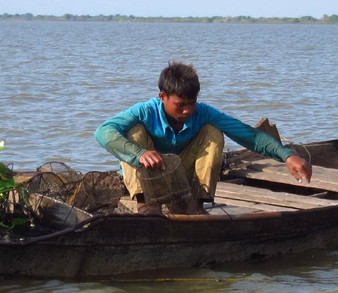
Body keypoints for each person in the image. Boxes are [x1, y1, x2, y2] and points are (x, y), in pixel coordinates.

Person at [94, 61, 312, 214]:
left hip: (182, 175)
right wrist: (139, 154)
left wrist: (287, 155)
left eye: (192, 103)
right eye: (181, 105)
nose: (188, 110)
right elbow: (103, 132)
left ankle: (198, 203)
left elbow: (248, 135)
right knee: (134, 132)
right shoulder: (144, 111)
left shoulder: (204, 113)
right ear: (162, 96)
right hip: (147, 176)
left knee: (213, 132)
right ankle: (144, 205)